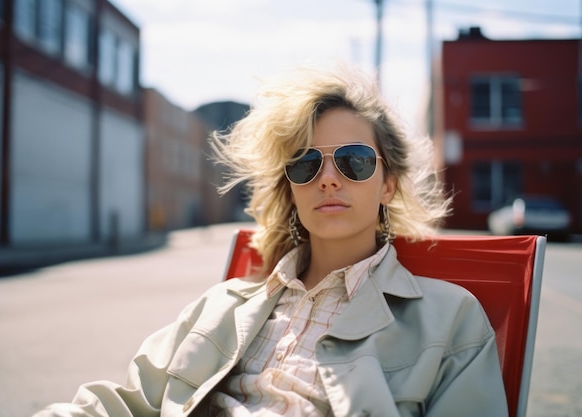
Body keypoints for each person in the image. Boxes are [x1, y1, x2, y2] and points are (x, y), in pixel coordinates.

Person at [34, 65, 508, 417]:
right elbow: (127, 403)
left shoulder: (451, 320)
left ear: (387, 184)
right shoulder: (221, 304)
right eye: (305, 164)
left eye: (355, 161)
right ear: (291, 188)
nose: (327, 179)